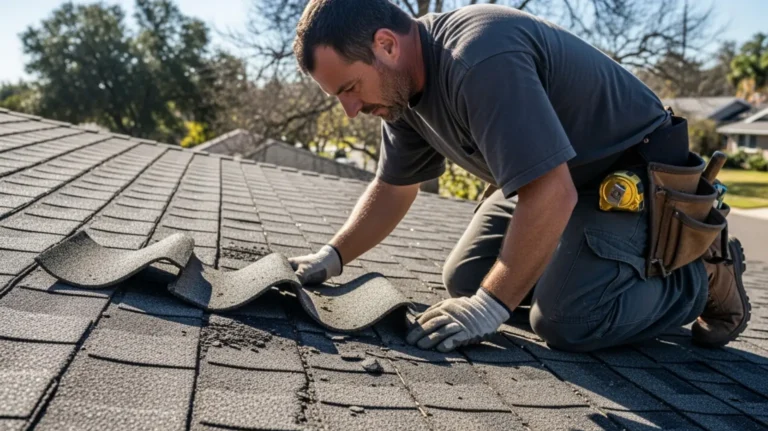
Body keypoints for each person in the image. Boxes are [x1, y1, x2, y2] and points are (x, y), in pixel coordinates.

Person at [287, 0, 751, 353]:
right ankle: (587, 268)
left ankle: (702, 272)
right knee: (467, 279)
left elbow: (552, 194)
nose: (350, 110)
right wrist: (333, 257)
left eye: (349, 88)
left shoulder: (478, 58)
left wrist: (490, 308)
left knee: (565, 320)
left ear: (386, 45)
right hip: (559, 181)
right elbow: (394, 187)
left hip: (633, 179)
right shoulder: (399, 93)